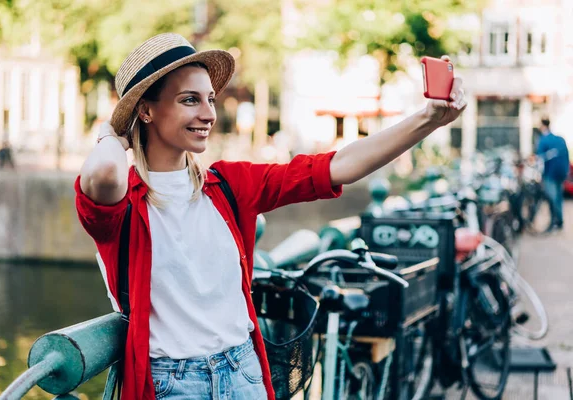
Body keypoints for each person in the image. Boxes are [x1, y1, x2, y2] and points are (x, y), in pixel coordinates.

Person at [75, 33, 466, 400]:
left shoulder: (229, 185)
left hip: (243, 371)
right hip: (171, 384)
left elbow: (338, 166)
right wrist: (113, 133)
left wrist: (428, 119)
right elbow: (104, 173)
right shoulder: (124, 203)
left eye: (210, 99)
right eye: (189, 100)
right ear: (146, 109)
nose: (209, 113)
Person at [536, 118, 569, 232]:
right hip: (561, 173)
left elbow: (539, 158)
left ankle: (554, 222)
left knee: (552, 198)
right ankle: (559, 221)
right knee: (558, 197)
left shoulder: (543, 140)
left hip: (550, 173)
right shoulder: (560, 139)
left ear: (542, 126)